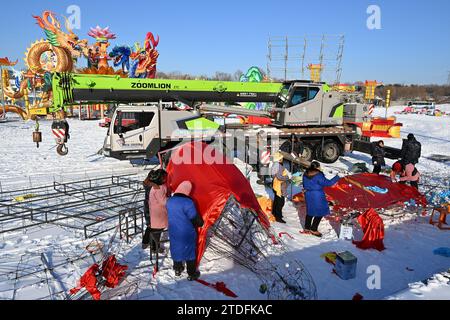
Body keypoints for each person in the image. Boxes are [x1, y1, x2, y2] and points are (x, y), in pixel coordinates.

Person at [166, 181, 204, 281]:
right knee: (189, 251)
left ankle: (177, 269)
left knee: (176, 248)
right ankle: (191, 273)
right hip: (186, 232)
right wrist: (200, 222)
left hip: (173, 230)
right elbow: (195, 219)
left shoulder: (170, 201)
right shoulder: (188, 202)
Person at [302, 161, 340, 237]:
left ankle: (307, 228)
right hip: (317, 195)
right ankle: (314, 229)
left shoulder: (305, 174)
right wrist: (337, 177)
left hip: (308, 194)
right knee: (320, 211)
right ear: (317, 167)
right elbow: (328, 183)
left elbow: (304, 184)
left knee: (310, 210)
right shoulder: (318, 175)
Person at [142, 169, 168, 251]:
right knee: (154, 229)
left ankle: (146, 242)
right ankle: (153, 247)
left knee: (151, 227)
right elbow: (162, 200)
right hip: (151, 209)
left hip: (151, 208)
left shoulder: (150, 185)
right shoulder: (155, 187)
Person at [271, 152, 292, 224]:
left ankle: (274, 213)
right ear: (279, 159)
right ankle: (278, 217)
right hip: (279, 185)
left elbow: (275, 175)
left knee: (277, 200)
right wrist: (288, 177)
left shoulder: (275, 164)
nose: (282, 159)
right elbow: (279, 177)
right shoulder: (278, 166)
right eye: (281, 158)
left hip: (275, 184)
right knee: (280, 202)